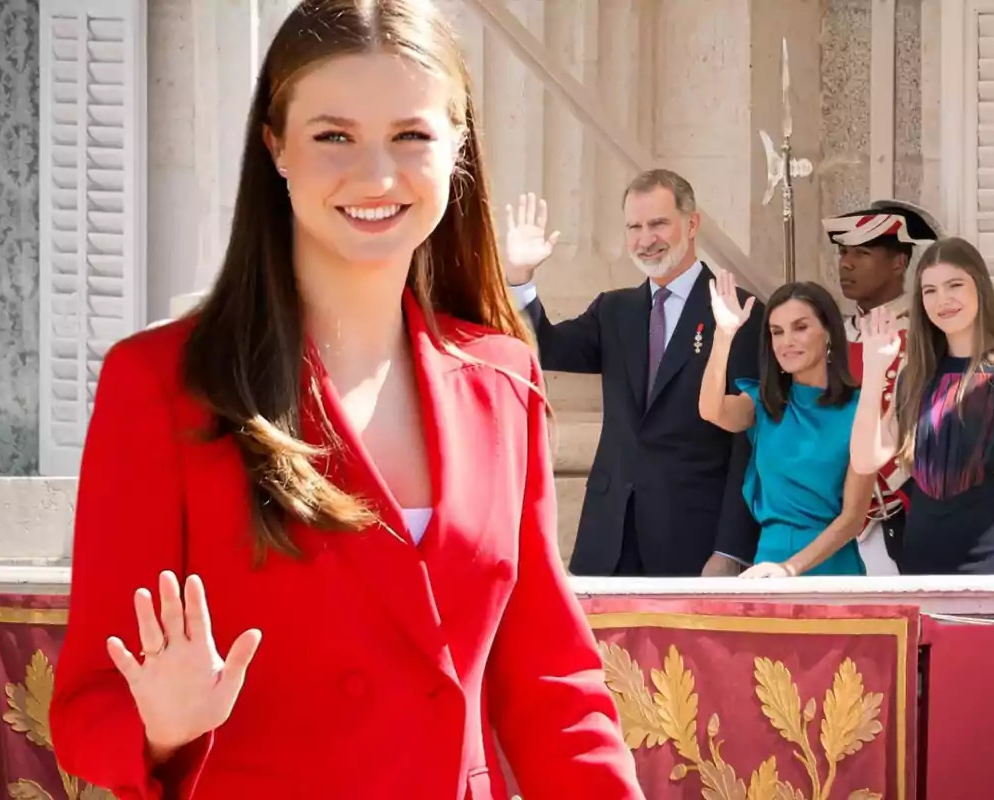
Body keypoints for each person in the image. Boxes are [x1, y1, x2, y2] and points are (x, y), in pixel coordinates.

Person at [49, 2, 644, 798]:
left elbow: (552, 690)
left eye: (411, 135)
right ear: (276, 145)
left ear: (459, 147)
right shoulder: (163, 386)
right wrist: (160, 724)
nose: (376, 176)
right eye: (334, 136)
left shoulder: (504, 380)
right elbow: (87, 707)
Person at [502, 175, 763, 577]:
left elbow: (747, 443)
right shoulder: (614, 310)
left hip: (693, 539)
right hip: (609, 538)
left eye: (658, 224)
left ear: (691, 225)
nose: (645, 240)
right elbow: (546, 346)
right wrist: (519, 277)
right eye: (634, 227)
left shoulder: (737, 311)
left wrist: (731, 548)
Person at [850, 237, 994, 575]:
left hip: (992, 553)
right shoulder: (914, 375)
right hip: (920, 552)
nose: (942, 299)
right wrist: (874, 370)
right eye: (929, 291)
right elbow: (864, 458)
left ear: (980, 287)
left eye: (954, 285)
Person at [699, 274, 875, 577]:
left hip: (831, 571)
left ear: (829, 332)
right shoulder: (763, 403)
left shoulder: (860, 410)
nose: (787, 342)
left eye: (801, 327)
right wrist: (724, 335)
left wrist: (790, 568)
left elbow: (853, 518)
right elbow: (711, 410)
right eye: (777, 332)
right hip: (767, 568)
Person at [822, 199, 943, 574]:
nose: (846, 263)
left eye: (862, 253)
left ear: (899, 262)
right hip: (837, 517)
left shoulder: (930, 335)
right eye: (843, 253)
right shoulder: (831, 337)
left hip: (907, 513)